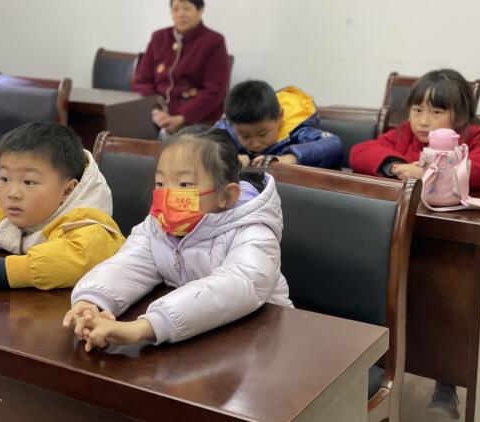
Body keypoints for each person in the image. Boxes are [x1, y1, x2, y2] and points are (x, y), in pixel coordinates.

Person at [63, 126, 292, 351]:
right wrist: (90, 303)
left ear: (226, 196)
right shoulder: (159, 224)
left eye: (184, 185)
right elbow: (130, 262)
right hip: (196, 338)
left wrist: (143, 328)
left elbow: (236, 286)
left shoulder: (254, 231)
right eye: (160, 184)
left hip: (261, 342)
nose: (167, 196)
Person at [0, 122, 125, 289]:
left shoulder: (89, 227)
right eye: (5, 178)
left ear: (67, 190)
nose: (12, 193)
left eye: (29, 182)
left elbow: (71, 260)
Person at [350, 68, 480, 190]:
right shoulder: (405, 132)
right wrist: (396, 167)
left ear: (460, 116)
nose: (423, 121)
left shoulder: (472, 136)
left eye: (436, 112)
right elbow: (360, 152)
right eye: (418, 110)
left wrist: (427, 174)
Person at [132, 0, 230, 135]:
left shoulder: (214, 41)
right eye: (175, 9)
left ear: (200, 10)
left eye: (186, 8)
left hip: (196, 119)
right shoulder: (159, 37)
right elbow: (141, 80)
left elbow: (215, 90)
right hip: (155, 115)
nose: (180, 14)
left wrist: (182, 117)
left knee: (169, 137)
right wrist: (154, 110)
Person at [215, 80, 343, 169]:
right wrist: (230, 157)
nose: (256, 144)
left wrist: (292, 158)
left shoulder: (296, 130)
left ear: (280, 117)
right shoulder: (229, 128)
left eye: (263, 134)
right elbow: (207, 144)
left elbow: (334, 144)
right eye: (245, 136)